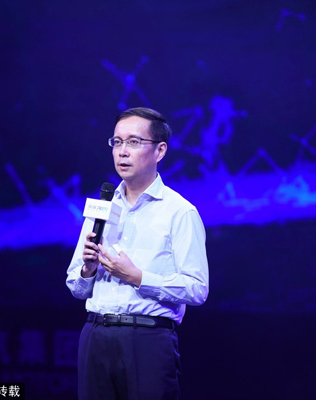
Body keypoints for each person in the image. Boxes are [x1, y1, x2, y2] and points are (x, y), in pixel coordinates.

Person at [66, 107, 209, 400]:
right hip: (95, 333)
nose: (122, 151)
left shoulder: (180, 212)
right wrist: (87, 270)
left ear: (160, 151)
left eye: (133, 142)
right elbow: (76, 287)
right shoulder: (103, 206)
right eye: (117, 142)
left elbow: (197, 289)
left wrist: (138, 277)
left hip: (148, 339)